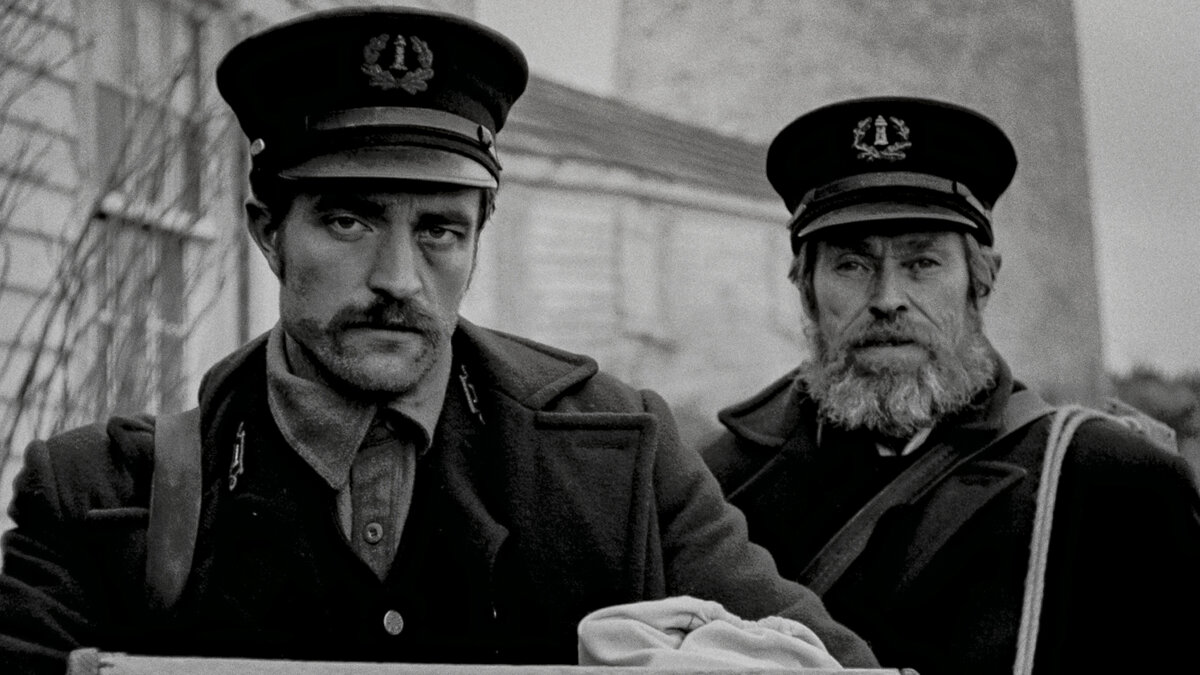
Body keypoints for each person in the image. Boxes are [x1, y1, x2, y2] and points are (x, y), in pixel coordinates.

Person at [0, 7, 879, 674]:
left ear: (478, 237)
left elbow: (833, 666)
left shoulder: (619, 460)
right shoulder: (101, 501)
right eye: (348, 220)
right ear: (268, 231)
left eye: (439, 230)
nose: (399, 278)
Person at [702, 96, 1200, 675]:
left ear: (981, 282)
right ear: (806, 288)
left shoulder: (1111, 481)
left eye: (922, 264)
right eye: (852, 265)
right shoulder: (718, 486)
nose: (888, 299)